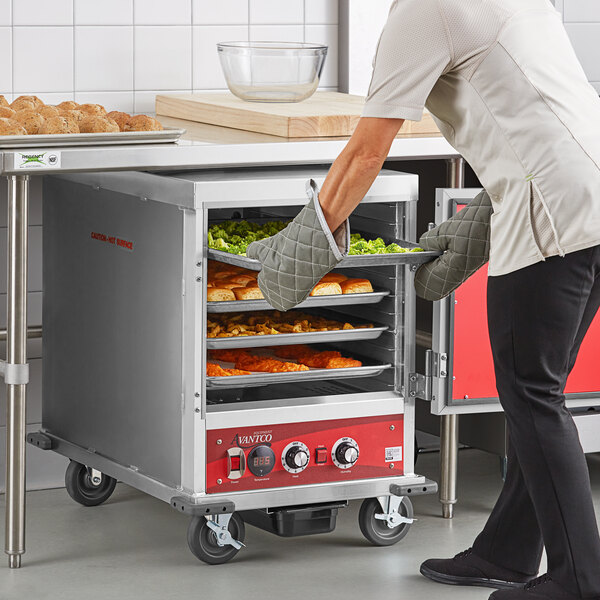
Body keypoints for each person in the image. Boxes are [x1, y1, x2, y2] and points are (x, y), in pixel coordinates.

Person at [308, 1, 600, 599]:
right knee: (537, 391)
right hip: (589, 189)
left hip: (549, 207)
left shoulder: (424, 9)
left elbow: (368, 150)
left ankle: (581, 579)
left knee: (530, 391)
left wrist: (305, 247)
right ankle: (509, 550)